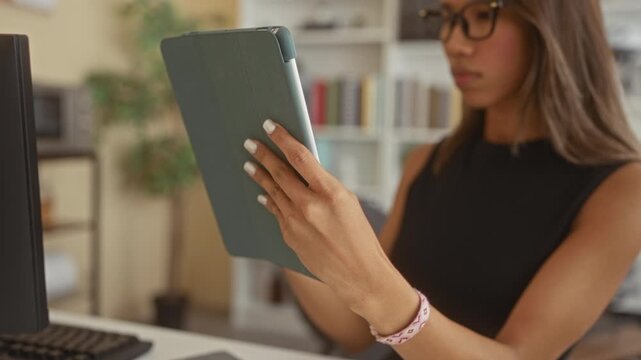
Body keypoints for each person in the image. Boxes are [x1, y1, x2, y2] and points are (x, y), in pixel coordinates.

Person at [240, 0, 641, 358]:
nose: (452, 42)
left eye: (483, 15)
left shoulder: (622, 191)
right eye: (448, 18)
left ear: (555, 25)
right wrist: (284, 219)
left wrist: (375, 286)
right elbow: (356, 333)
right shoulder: (427, 162)